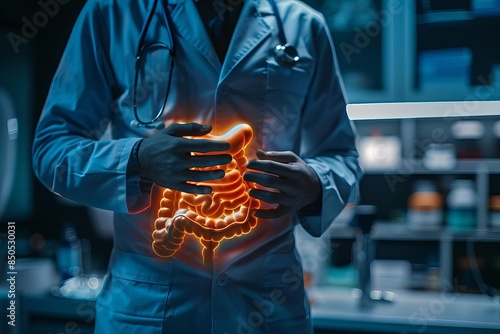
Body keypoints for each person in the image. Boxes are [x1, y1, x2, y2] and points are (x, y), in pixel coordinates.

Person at [32, 0, 362, 332]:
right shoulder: (112, 12)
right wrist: (138, 158)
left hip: (267, 307)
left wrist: (315, 184)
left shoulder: (304, 26)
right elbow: (51, 151)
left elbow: (342, 155)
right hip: (149, 310)